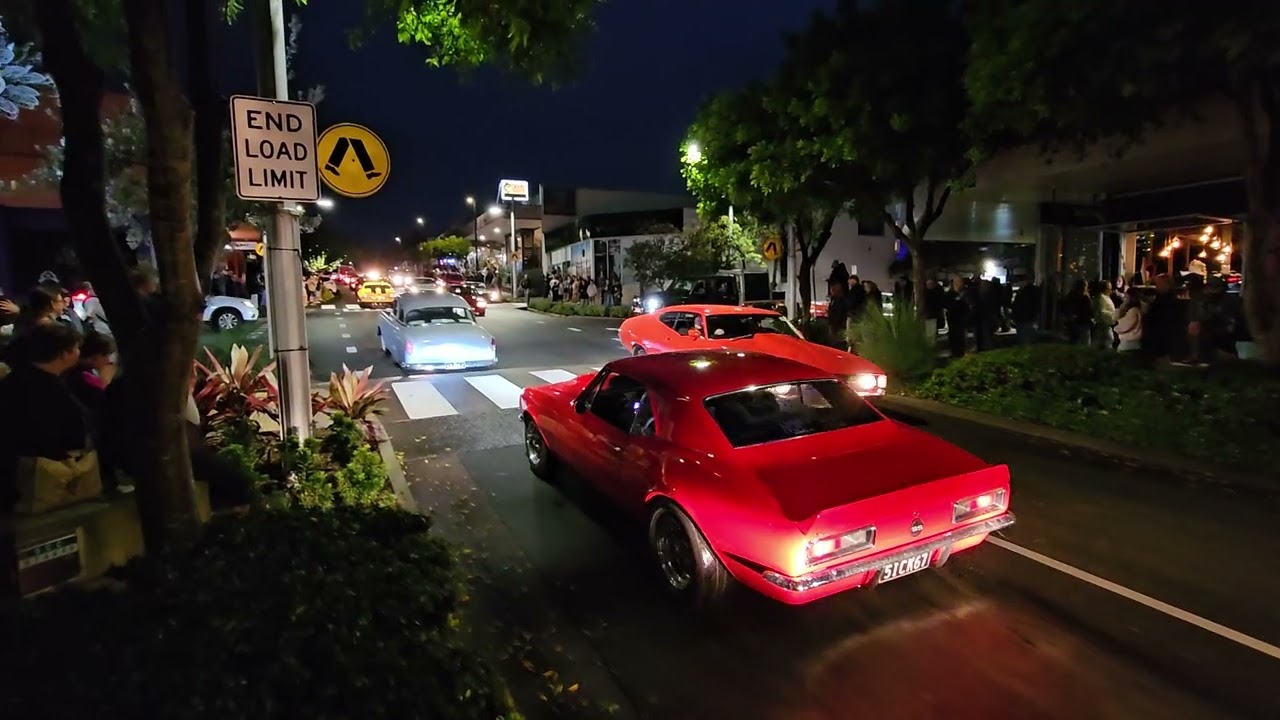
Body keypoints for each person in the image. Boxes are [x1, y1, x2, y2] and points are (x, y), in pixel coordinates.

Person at [0, 323, 96, 514]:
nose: (78, 352)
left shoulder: (14, 380)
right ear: (63, 353)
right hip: (40, 479)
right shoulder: (48, 388)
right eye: (76, 348)